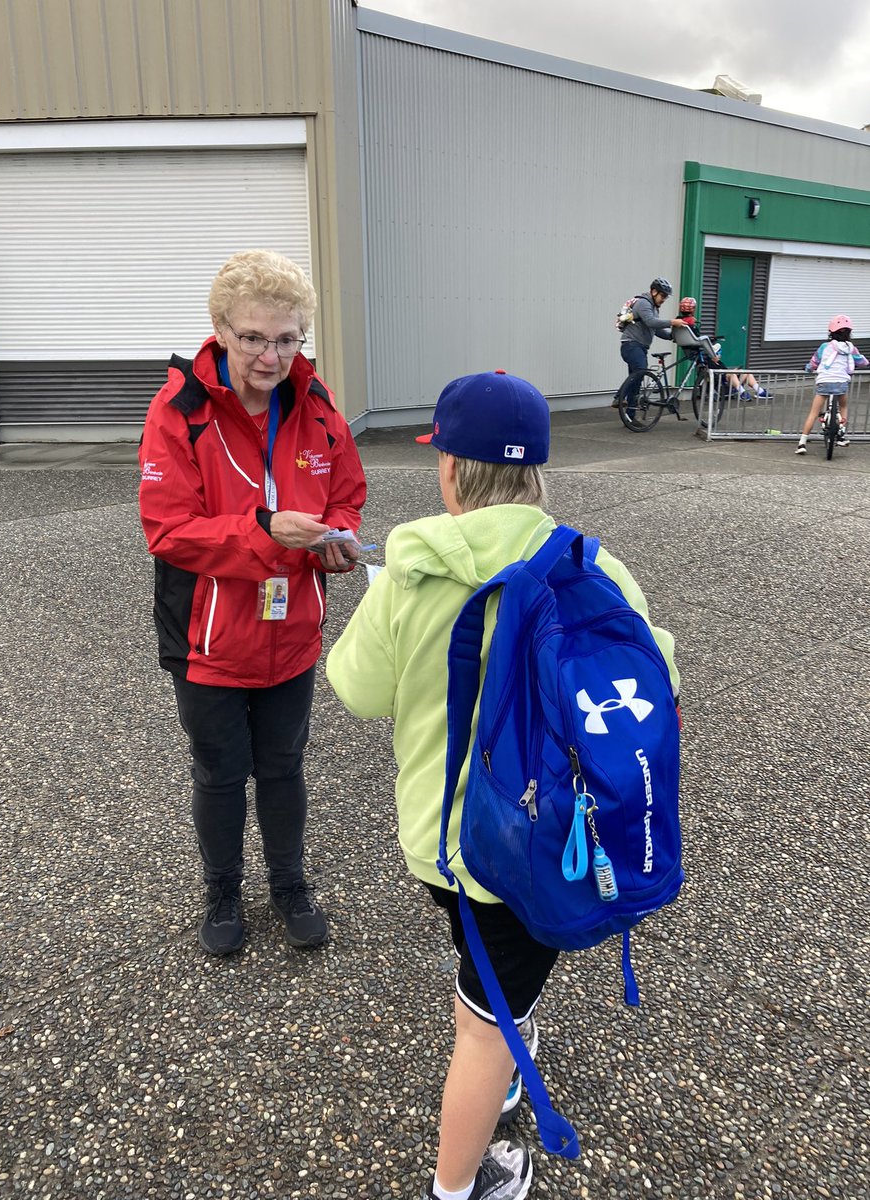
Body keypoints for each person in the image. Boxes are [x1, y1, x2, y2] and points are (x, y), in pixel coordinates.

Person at [325, 371, 678, 1200]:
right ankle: (461, 1179)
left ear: (450, 467)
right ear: (536, 472)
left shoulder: (411, 576)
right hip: (542, 847)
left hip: (442, 847)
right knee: (487, 1016)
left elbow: (356, 690)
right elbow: (658, 676)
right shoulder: (591, 565)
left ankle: (464, 1168)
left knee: (481, 983)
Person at [139, 249, 367, 955]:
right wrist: (268, 532)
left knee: (285, 765)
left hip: (292, 629)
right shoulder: (180, 411)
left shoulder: (318, 404)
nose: (271, 356)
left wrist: (338, 537)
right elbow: (168, 530)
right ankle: (222, 889)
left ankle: (290, 883)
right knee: (218, 771)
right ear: (221, 330)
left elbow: (346, 494)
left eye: (287, 338)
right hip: (209, 640)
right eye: (253, 338)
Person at [796, 314, 868, 455]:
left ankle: (802, 443)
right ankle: (841, 435)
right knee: (843, 406)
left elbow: (814, 362)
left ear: (831, 332)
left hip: (824, 381)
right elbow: (862, 361)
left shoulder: (825, 347)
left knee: (813, 412)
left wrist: (808, 368)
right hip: (841, 382)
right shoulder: (850, 348)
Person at [675, 297, 771, 400]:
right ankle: (742, 393)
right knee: (732, 374)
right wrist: (713, 355)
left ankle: (759, 391)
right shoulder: (705, 358)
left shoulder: (679, 324)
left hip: (726, 379)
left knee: (745, 372)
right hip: (723, 381)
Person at [614, 276, 687, 410]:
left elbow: (656, 329)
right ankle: (619, 397)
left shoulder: (653, 307)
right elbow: (651, 322)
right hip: (631, 344)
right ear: (654, 292)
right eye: (663, 296)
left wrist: (673, 336)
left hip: (640, 347)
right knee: (641, 371)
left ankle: (630, 416)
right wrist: (672, 322)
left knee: (636, 380)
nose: (664, 299)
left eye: (666, 297)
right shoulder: (644, 303)